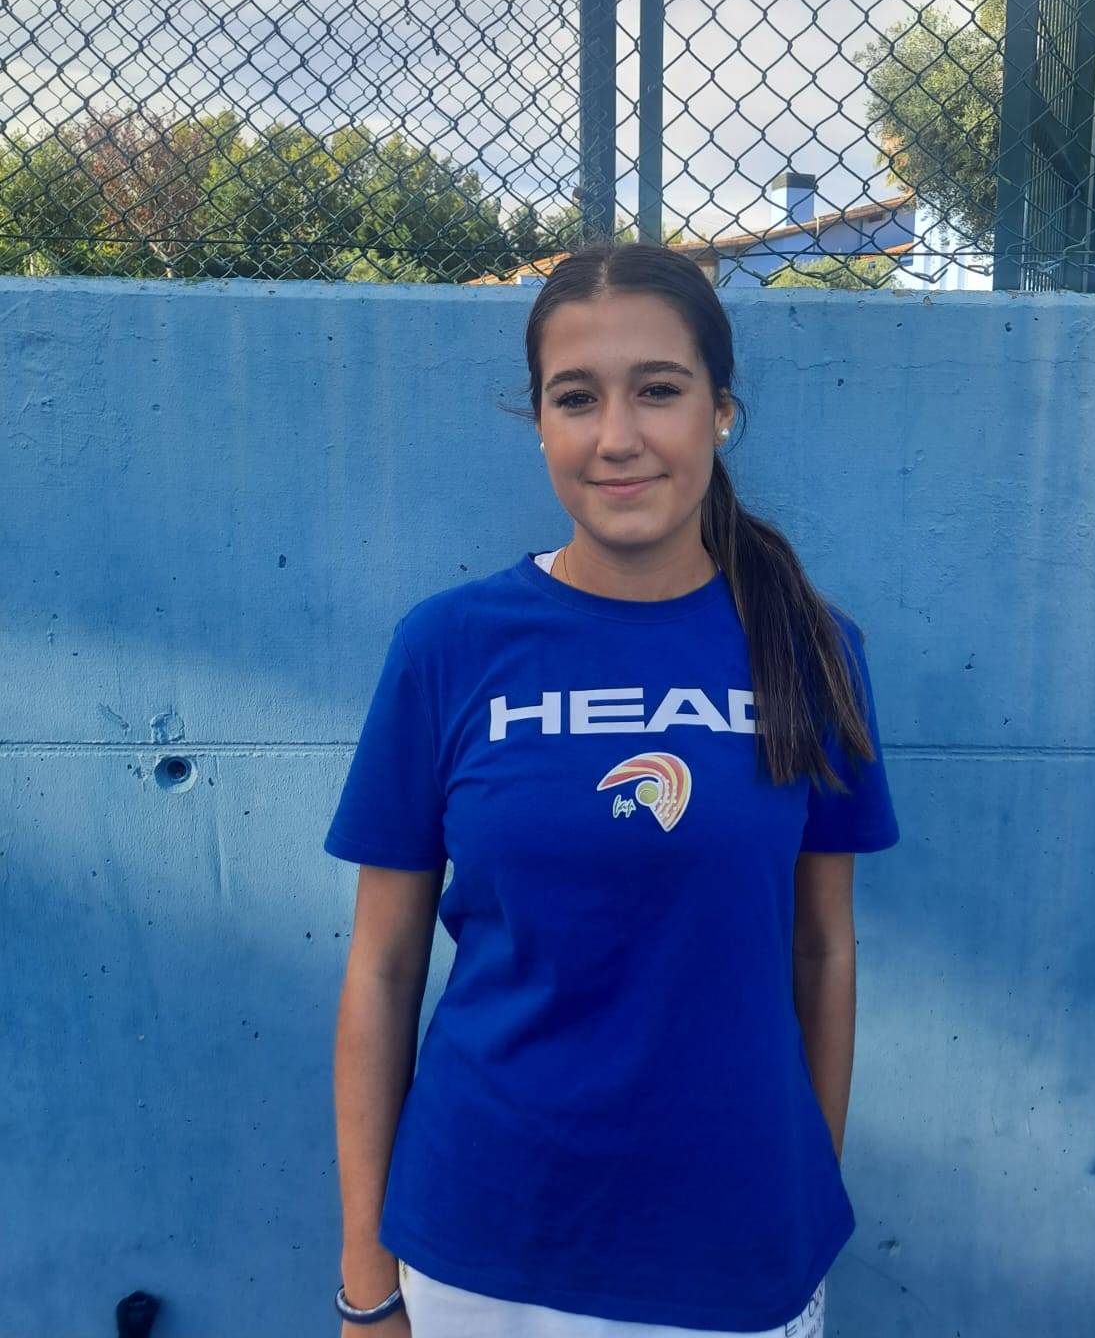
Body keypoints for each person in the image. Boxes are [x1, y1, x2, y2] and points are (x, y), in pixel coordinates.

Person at [326, 242, 900, 1336]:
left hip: (733, 1253)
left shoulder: (810, 647)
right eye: (577, 397)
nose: (617, 436)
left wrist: (799, 1191)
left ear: (720, 412)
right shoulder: (447, 647)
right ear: (539, 423)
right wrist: (368, 1282)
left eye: (660, 390)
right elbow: (384, 966)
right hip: (479, 1244)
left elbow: (823, 949)